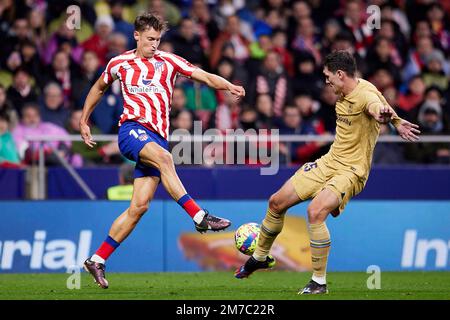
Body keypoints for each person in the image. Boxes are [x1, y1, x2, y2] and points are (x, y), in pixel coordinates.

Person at [80, 13, 245, 289]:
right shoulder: (120, 62)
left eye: (158, 39)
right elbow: (99, 87)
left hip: (156, 138)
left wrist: (227, 85)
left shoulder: (169, 61)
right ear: (136, 36)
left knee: (139, 207)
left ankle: (97, 258)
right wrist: (85, 120)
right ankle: (199, 216)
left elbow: (202, 76)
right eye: (150, 39)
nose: (155, 44)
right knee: (166, 158)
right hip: (132, 131)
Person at [234, 51, 420, 294]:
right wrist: (395, 121)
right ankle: (261, 257)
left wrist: (385, 118)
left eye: (328, 76)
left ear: (340, 74)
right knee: (276, 202)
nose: (326, 81)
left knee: (315, 212)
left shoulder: (365, 96)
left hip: (351, 170)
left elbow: (376, 107)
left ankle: (318, 282)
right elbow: (384, 105)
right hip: (329, 162)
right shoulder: (359, 87)